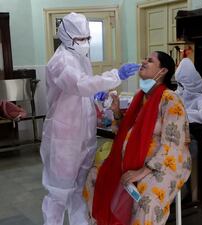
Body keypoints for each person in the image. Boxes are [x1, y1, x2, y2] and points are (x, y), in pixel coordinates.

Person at [40, 12, 139, 225]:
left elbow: (84, 89)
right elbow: (79, 84)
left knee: (78, 189)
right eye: (79, 39)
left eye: (87, 38)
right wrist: (116, 76)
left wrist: (97, 96)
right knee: (58, 194)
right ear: (66, 37)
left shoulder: (80, 58)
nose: (84, 43)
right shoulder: (60, 61)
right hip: (65, 137)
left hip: (84, 135)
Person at [86, 51, 191, 225]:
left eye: (150, 61)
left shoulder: (170, 100)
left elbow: (173, 145)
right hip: (133, 161)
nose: (143, 62)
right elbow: (126, 133)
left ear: (162, 71)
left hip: (165, 163)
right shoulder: (139, 97)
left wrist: (142, 171)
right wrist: (117, 112)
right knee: (94, 177)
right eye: (144, 59)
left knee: (145, 200)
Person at [174, 58, 202, 202]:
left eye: (181, 84)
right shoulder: (179, 93)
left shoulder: (199, 97)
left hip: (194, 138)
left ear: (189, 83)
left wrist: (184, 114)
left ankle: (188, 192)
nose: (179, 87)